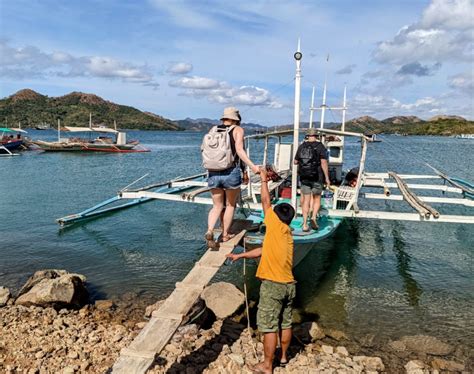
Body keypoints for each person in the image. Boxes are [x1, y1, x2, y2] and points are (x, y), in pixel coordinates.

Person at [227, 167, 296, 374]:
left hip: (273, 286)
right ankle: (283, 357)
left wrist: (264, 180)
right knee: (285, 322)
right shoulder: (287, 235)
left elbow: (266, 202)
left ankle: (267, 366)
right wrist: (240, 255)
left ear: (276, 218)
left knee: (268, 326)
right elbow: (262, 250)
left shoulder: (274, 225)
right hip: (289, 286)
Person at [204, 107, 260, 248]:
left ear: (223, 118)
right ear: (236, 119)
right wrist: (252, 167)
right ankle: (224, 235)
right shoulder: (237, 130)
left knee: (216, 206)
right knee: (230, 205)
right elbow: (240, 151)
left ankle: (210, 230)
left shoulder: (213, 129)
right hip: (230, 171)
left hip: (212, 171)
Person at [294, 128, 330, 232]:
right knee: (317, 198)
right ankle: (313, 217)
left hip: (304, 177)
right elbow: (323, 163)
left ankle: (305, 224)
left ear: (307, 136)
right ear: (317, 136)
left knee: (306, 200)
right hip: (317, 177)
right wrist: (327, 178)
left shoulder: (301, 146)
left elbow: (295, 162)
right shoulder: (320, 146)